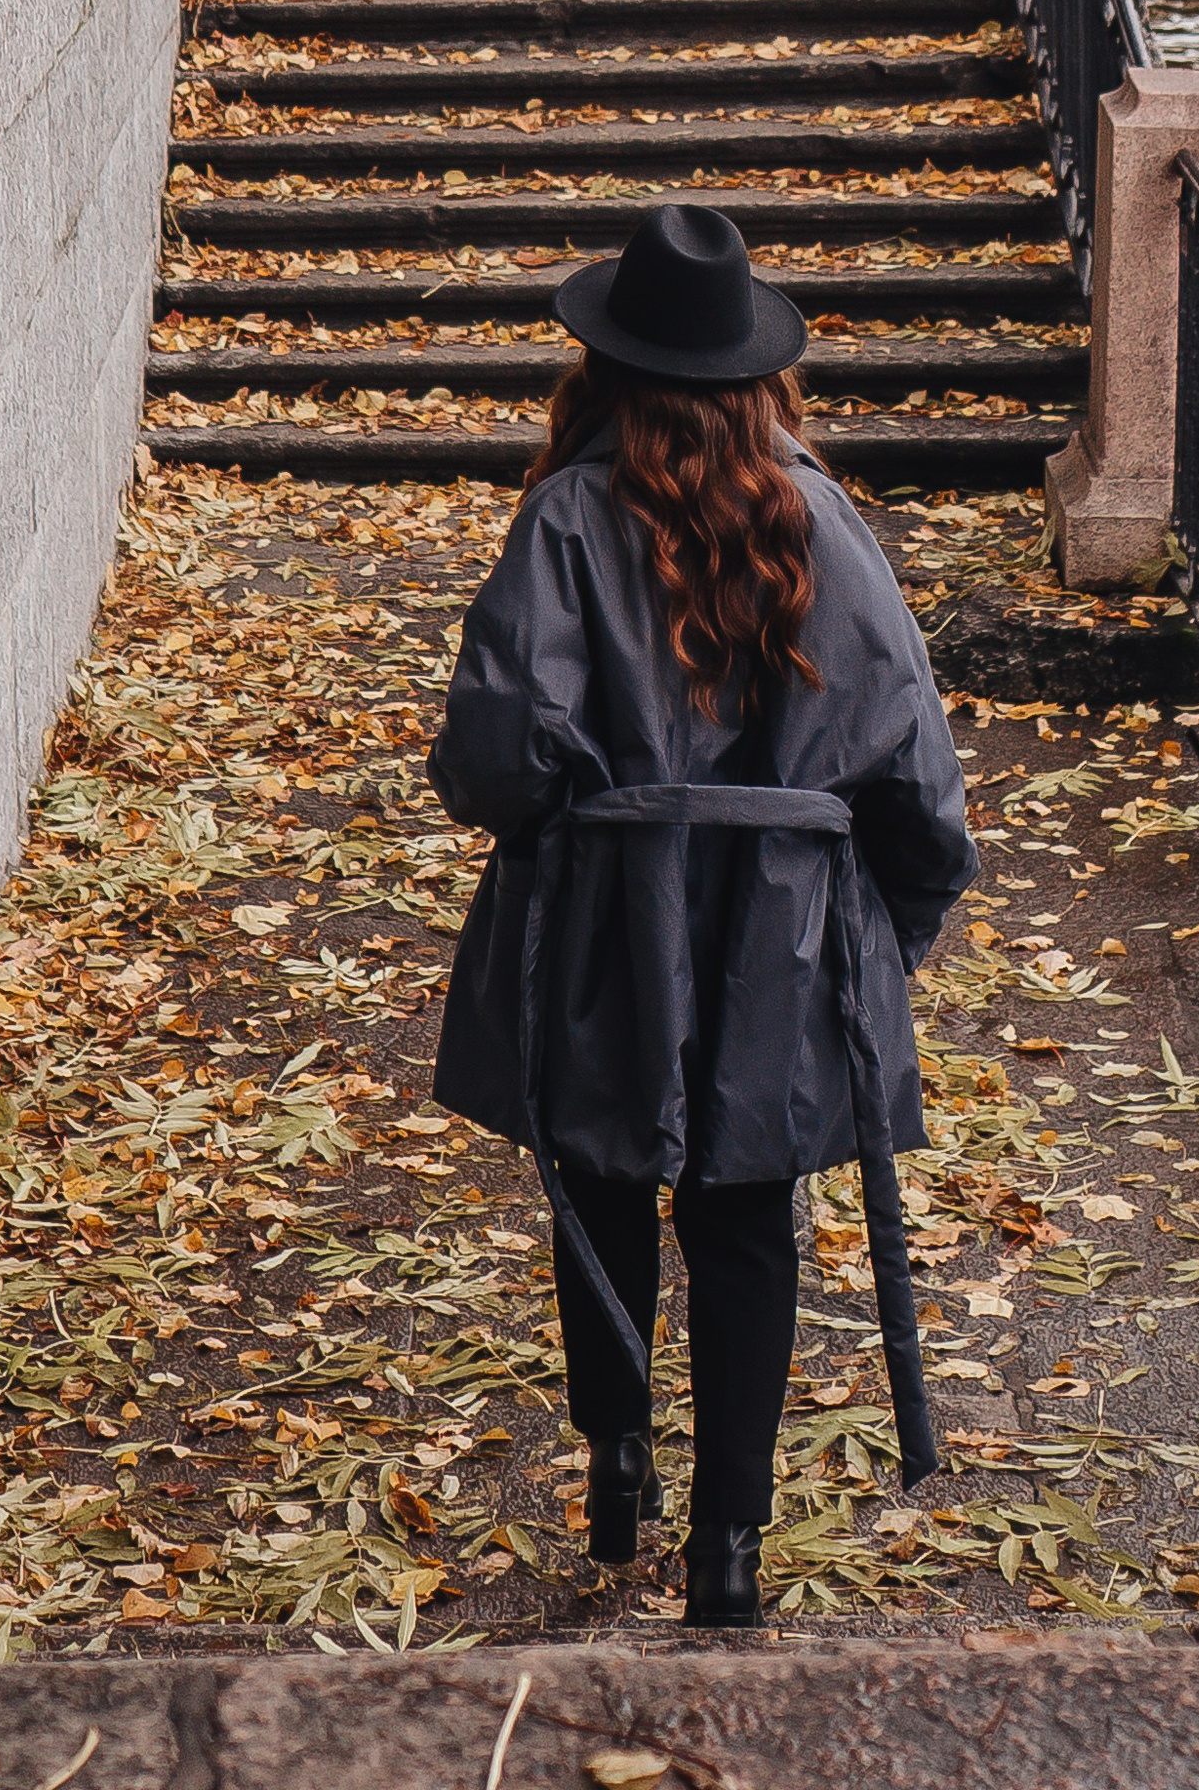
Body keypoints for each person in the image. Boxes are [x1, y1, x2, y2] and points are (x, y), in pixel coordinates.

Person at [428, 201, 978, 1626]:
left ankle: (618, 1463)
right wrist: (890, 931)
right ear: (755, 377)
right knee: (745, 1222)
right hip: (780, 940)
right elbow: (911, 762)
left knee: (602, 1185)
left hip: (609, 924)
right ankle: (728, 1552)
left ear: (608, 368)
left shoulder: (566, 518)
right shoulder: (823, 522)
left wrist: (567, 830)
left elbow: (492, 751)